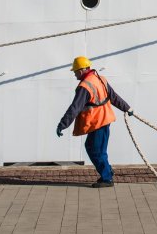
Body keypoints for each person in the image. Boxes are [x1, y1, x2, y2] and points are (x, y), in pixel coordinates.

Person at [56, 56, 134, 187]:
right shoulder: (100, 79)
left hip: (98, 122)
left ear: (81, 70)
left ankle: (107, 178)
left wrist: (62, 124)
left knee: (96, 150)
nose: (74, 74)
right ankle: (107, 171)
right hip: (104, 119)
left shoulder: (84, 86)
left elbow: (75, 107)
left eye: (75, 71)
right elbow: (114, 97)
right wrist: (127, 107)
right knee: (96, 148)